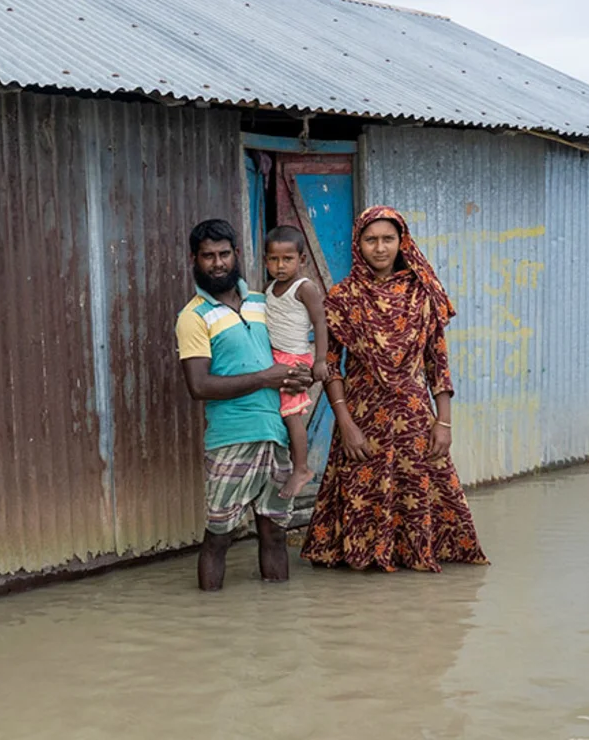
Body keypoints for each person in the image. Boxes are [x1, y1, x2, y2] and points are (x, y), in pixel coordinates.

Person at [300, 206, 488, 572]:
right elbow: (331, 367)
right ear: (359, 244)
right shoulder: (342, 298)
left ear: (403, 242)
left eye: (388, 239)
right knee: (362, 489)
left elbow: (438, 362)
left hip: (414, 419)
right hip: (361, 418)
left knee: (419, 488)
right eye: (371, 240)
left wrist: (444, 422)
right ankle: (362, 558)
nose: (380, 248)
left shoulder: (423, 295)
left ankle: (415, 554)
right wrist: (346, 424)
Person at [176, 218, 311, 591]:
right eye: (208, 256)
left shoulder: (262, 302)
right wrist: (266, 378)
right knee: (219, 536)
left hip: (276, 433)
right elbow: (199, 386)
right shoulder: (193, 317)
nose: (217, 263)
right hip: (230, 441)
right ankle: (210, 620)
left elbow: (286, 355)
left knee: (275, 535)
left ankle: (278, 623)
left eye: (223, 254)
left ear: (237, 254)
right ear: (194, 259)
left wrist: (297, 375)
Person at [261, 225, 331, 499]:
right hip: (274, 357)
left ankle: (302, 468)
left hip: (293, 358)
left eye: (287, 259)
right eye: (273, 259)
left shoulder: (305, 288)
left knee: (292, 417)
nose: (280, 265)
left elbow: (320, 322)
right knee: (278, 415)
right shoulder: (269, 289)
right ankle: (282, 465)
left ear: (302, 260)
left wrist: (321, 360)